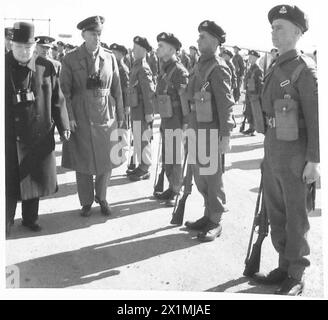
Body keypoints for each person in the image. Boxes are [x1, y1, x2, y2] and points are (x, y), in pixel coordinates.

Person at [251, 5, 320, 296]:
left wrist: (314, 160)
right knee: (276, 213)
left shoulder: (305, 70)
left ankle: (296, 272)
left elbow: (317, 119)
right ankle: (283, 264)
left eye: (280, 27)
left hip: (295, 154)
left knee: (296, 215)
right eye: (273, 27)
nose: (274, 32)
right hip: (274, 150)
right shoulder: (275, 66)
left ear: (297, 32)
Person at [5, 22, 70, 237]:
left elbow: (58, 100)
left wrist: (64, 126)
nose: (24, 52)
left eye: (28, 48)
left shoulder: (46, 66)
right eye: (19, 47)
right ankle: (5, 220)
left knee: (32, 179)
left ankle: (30, 219)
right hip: (8, 135)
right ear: (11, 45)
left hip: (36, 134)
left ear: (34, 47)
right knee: (8, 180)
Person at [60, 16, 124, 217]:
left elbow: (117, 89)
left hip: (106, 114)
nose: (97, 38)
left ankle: (102, 197)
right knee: (83, 161)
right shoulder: (70, 58)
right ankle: (86, 201)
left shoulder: (109, 57)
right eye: (93, 34)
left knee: (107, 160)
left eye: (99, 34)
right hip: (81, 114)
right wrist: (68, 117)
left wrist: (121, 116)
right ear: (83, 35)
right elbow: (64, 91)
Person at [184, 20, 235, 242]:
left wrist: (226, 135)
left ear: (215, 41)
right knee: (200, 176)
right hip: (196, 129)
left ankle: (216, 220)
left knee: (213, 177)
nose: (198, 40)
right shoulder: (198, 65)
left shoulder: (218, 67)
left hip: (212, 132)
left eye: (203, 36)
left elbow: (226, 105)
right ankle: (207, 214)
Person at [153, 32, 189, 206]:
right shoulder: (165, 68)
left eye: (161, 46)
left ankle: (176, 189)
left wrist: (186, 124)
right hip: (167, 118)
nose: (157, 48)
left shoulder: (179, 71)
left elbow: (185, 101)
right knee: (168, 156)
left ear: (171, 49)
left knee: (174, 157)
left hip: (176, 119)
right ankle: (171, 186)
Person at [126, 36, 155, 181]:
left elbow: (149, 92)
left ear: (144, 50)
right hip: (136, 108)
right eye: (133, 47)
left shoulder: (143, 67)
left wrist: (149, 113)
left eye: (136, 48)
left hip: (142, 110)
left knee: (143, 138)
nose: (133, 50)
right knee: (138, 138)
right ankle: (141, 165)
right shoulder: (136, 65)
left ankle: (145, 167)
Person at [242, 50, 263, 135]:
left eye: (251, 57)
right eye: (249, 57)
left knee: (254, 111)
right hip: (249, 93)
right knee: (248, 111)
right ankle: (250, 128)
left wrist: (257, 95)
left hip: (254, 94)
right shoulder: (250, 68)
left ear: (255, 58)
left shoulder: (258, 70)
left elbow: (260, 84)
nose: (249, 59)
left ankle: (253, 128)